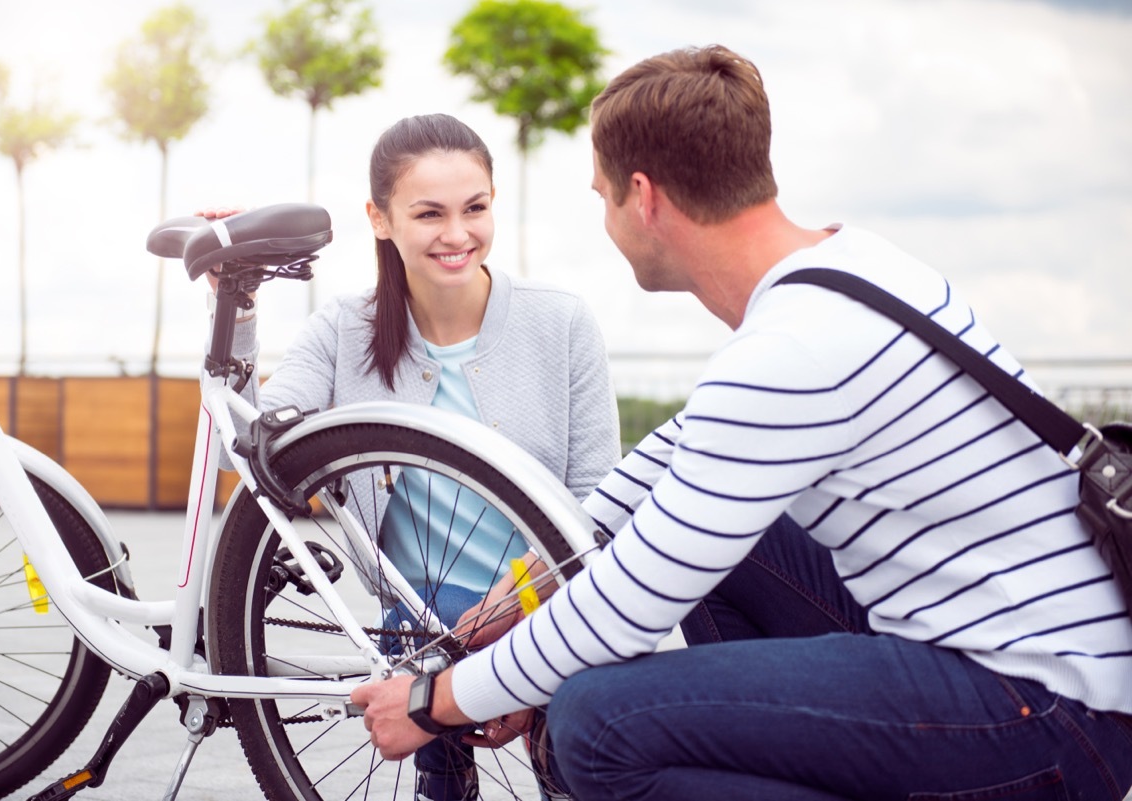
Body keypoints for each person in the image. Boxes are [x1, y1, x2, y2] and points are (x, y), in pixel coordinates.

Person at [350, 46, 1132, 800]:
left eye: (601, 196)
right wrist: (523, 596)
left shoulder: (790, 349)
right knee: (724, 547)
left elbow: (632, 599)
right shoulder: (851, 269)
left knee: (595, 722)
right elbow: (672, 462)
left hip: (1044, 714)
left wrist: (437, 700)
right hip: (1040, 669)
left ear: (646, 199)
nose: (605, 217)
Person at [202, 113, 621, 801]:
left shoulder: (562, 321)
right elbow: (248, 448)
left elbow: (599, 502)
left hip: (550, 612)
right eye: (429, 213)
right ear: (380, 218)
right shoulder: (346, 327)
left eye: (475, 208)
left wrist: (517, 647)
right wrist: (236, 312)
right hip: (421, 631)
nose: (458, 235)